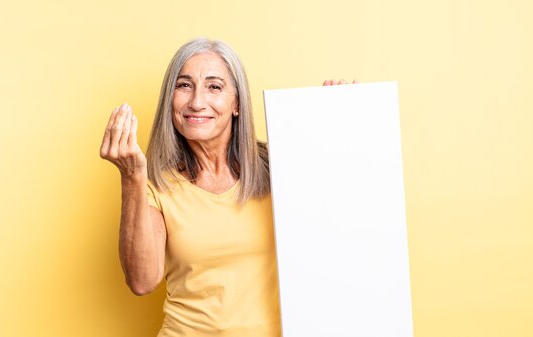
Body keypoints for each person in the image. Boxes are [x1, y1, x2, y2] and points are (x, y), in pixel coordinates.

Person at [100, 38, 352, 337]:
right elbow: (142, 281)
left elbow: (343, 227)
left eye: (214, 87)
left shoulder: (281, 165)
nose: (196, 101)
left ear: (236, 104)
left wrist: (342, 122)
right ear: (170, 100)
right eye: (183, 85)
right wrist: (132, 177)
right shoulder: (156, 183)